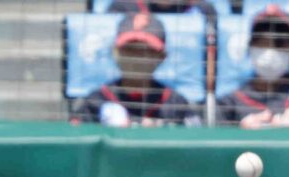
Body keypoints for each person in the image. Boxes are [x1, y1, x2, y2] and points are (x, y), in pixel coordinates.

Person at [69, 12, 202, 126]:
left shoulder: (175, 103)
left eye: (145, 51)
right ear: (115, 53)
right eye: (129, 50)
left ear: (162, 57)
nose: (136, 59)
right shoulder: (96, 101)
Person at [216, 5, 289, 128]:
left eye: (279, 44)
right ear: (250, 47)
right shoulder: (228, 103)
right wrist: (242, 134)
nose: (270, 51)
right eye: (262, 43)